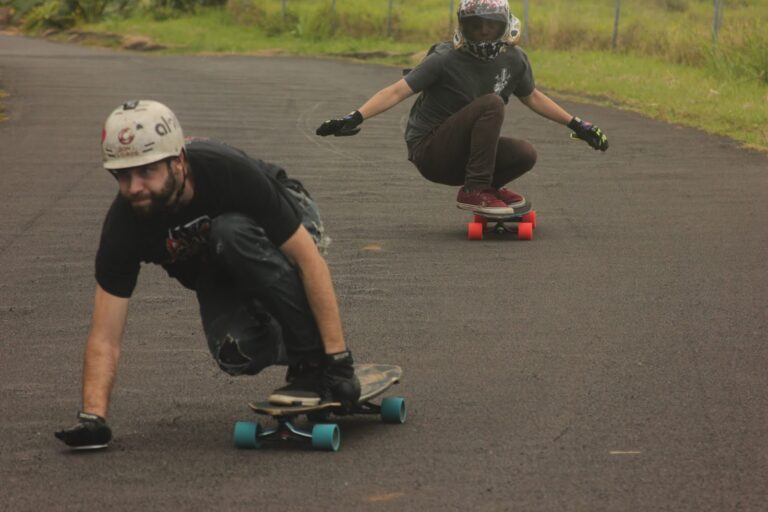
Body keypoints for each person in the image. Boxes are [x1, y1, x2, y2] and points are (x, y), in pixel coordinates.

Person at [54, 100, 360, 449]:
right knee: (235, 353)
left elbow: (309, 262)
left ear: (179, 161)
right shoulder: (125, 226)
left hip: (286, 219)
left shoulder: (226, 172)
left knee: (230, 231)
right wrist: (94, 418)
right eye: (123, 176)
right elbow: (105, 333)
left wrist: (338, 360)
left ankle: (311, 361)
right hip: (218, 262)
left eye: (146, 172)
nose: (134, 187)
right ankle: (302, 340)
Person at [316, 0, 608, 215]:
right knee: (491, 104)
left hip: (463, 157)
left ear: (505, 25)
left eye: (491, 24)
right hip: (430, 151)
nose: (483, 31)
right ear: (462, 26)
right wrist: (355, 116)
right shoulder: (443, 59)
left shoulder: (514, 60)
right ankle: (475, 191)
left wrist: (577, 124)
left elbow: (532, 96)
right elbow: (396, 91)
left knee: (525, 153)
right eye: (475, 24)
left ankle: (486, 187)